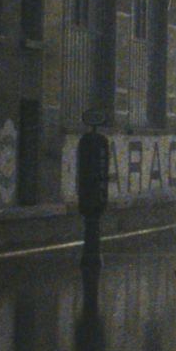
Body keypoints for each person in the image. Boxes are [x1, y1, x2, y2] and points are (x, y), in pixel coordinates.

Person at [76, 110, 111, 273]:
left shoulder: (85, 142)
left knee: (90, 225)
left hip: (87, 196)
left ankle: (89, 257)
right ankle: (93, 257)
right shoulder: (101, 142)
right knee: (93, 225)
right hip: (96, 196)